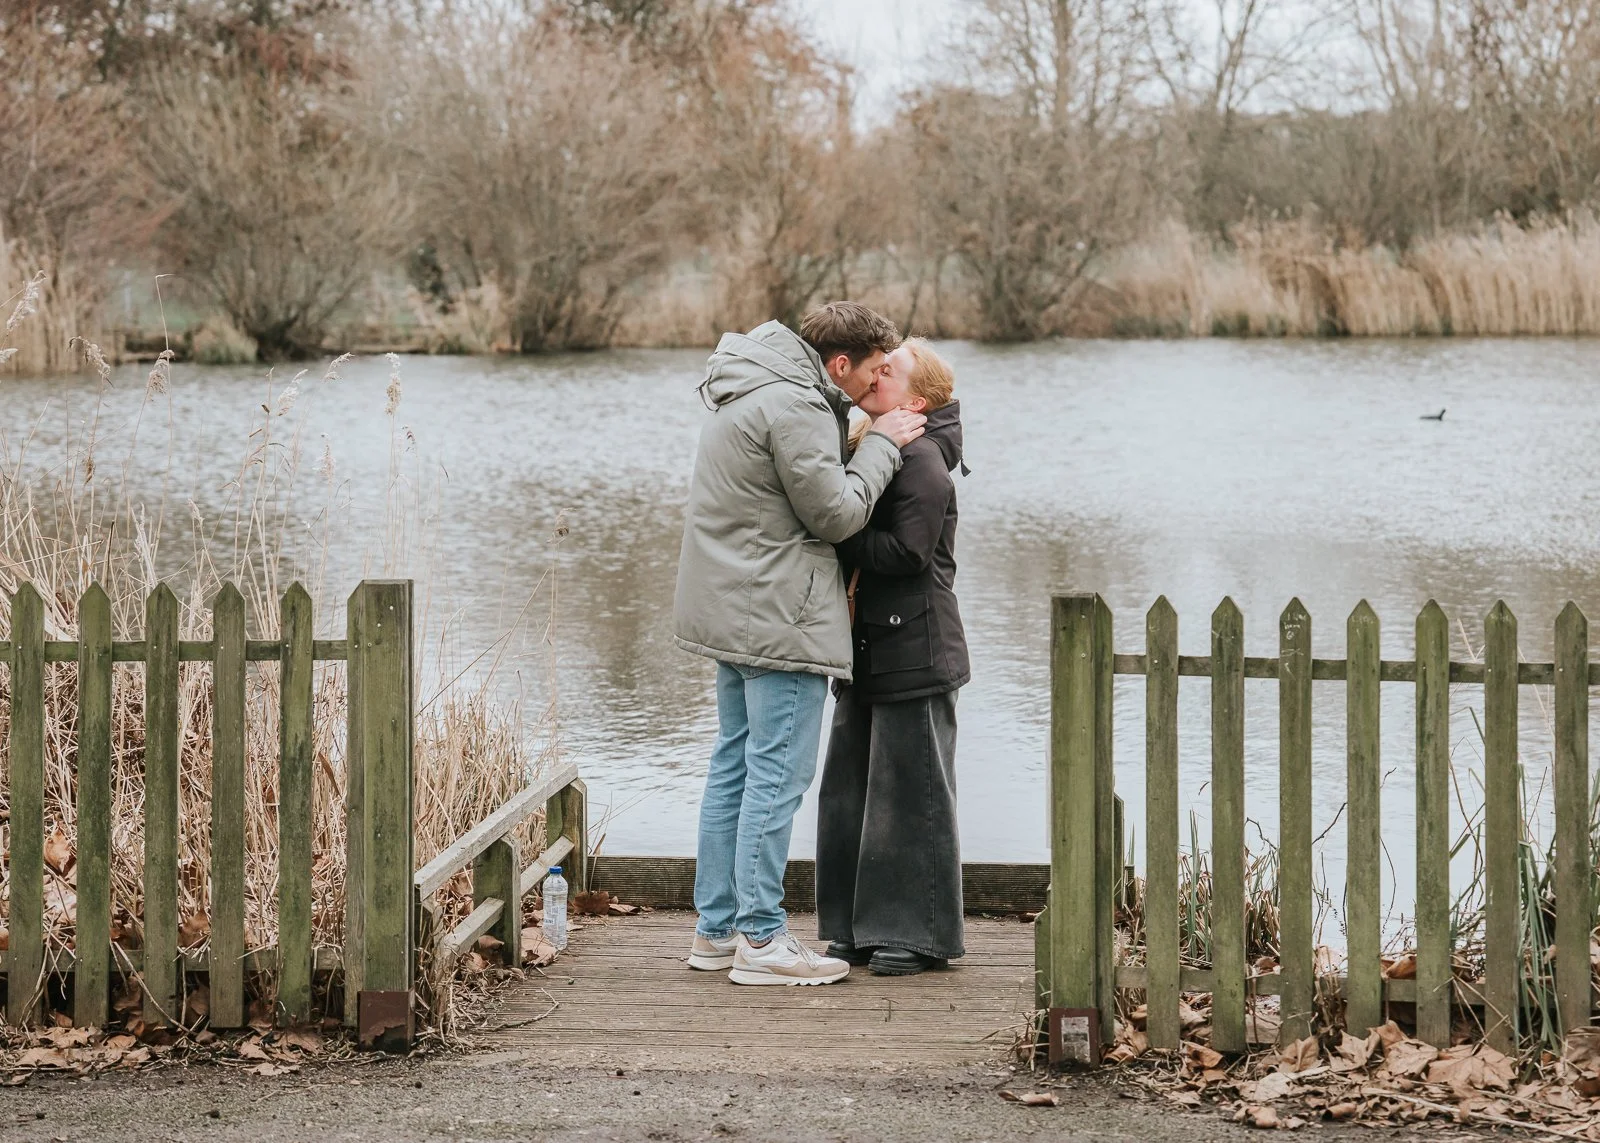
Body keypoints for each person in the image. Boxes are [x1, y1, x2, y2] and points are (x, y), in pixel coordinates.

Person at [673, 302, 927, 986]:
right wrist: (881, 441)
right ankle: (761, 938)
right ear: (840, 364)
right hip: (778, 614)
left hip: (734, 607)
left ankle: (717, 929)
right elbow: (837, 512)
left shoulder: (746, 384)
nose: (879, 385)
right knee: (776, 777)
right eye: (874, 372)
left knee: (732, 767)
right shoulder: (796, 405)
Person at [815, 338, 970, 976]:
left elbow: (907, 555)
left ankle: (915, 935)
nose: (877, 373)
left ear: (916, 399)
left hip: (917, 648)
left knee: (913, 797)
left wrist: (841, 534)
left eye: (891, 369)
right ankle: (855, 928)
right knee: (850, 792)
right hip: (867, 649)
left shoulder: (924, 461)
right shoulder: (874, 449)